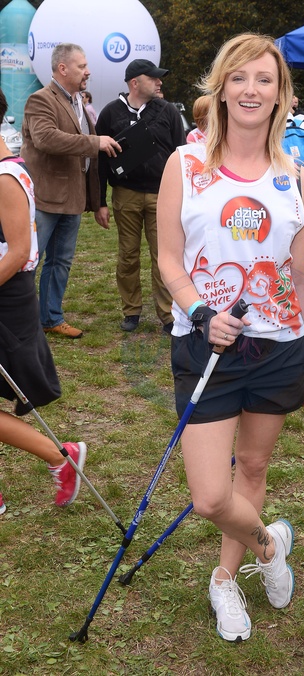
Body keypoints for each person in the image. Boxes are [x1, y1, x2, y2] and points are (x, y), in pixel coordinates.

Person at [157, 33, 304, 643]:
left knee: (252, 466)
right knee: (209, 496)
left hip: (279, 347)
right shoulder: (185, 165)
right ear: (221, 89)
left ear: (280, 94)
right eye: (239, 78)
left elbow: (302, 275)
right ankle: (269, 545)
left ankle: (226, 578)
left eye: (264, 79)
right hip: (207, 346)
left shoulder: (297, 179)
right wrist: (202, 313)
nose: (251, 89)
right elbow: (168, 259)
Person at [0, 88, 87, 514]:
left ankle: (61, 456)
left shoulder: (6, 178)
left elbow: (18, 252)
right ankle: (61, 457)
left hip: (7, 299)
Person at [21, 43, 121, 339]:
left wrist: (96, 200)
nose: (88, 71)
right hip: (45, 198)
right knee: (28, 261)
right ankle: (17, 320)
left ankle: (51, 318)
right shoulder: (40, 99)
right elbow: (46, 138)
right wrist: (95, 142)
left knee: (60, 262)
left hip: (72, 200)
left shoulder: (78, 102)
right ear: (62, 68)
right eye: (82, 66)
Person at [95, 59, 186, 333]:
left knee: (164, 256)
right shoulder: (110, 113)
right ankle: (131, 310)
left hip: (163, 196)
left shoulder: (168, 111)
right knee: (128, 255)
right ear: (135, 83)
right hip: (126, 194)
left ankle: (168, 314)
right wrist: (100, 202)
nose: (160, 82)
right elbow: (100, 161)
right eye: (154, 78)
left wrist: (184, 195)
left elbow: (182, 154)